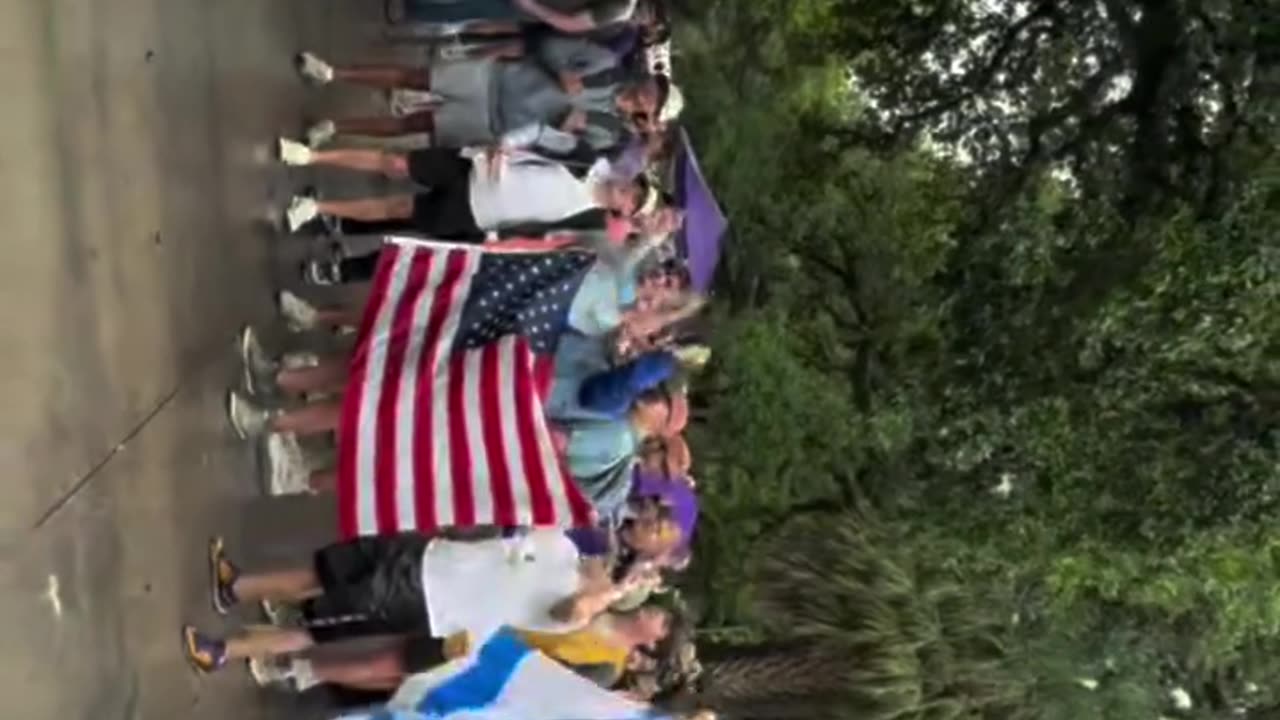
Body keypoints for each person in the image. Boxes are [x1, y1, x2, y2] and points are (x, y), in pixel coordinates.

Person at [181, 528, 638, 674]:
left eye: (617, 569)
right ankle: (239, 587)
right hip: (428, 556)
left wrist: (605, 594)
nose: (609, 561)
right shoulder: (563, 548)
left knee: (320, 624)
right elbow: (506, 535)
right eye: (614, 556)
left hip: (429, 602)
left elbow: (568, 612)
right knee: (326, 572)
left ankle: (224, 651)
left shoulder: (575, 612)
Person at [292, 39, 680, 157]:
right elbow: (549, 47)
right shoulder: (607, 64)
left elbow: (561, 152)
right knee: (415, 76)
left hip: (495, 124)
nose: (648, 92)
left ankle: (335, 128)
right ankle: (333, 72)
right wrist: (561, 72)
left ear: (651, 113)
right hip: (495, 80)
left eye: (654, 99)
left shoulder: (611, 134)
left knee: (413, 125)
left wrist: (563, 133)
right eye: (654, 85)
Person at [277, 144, 656, 238]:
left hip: (479, 213)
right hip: (475, 168)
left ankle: (316, 206)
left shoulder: (588, 221)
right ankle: (311, 155)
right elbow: (540, 137)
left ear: (625, 213)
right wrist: (503, 145)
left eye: (633, 201)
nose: (628, 192)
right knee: (395, 162)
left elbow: (540, 239)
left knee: (396, 208)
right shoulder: (587, 160)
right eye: (634, 187)